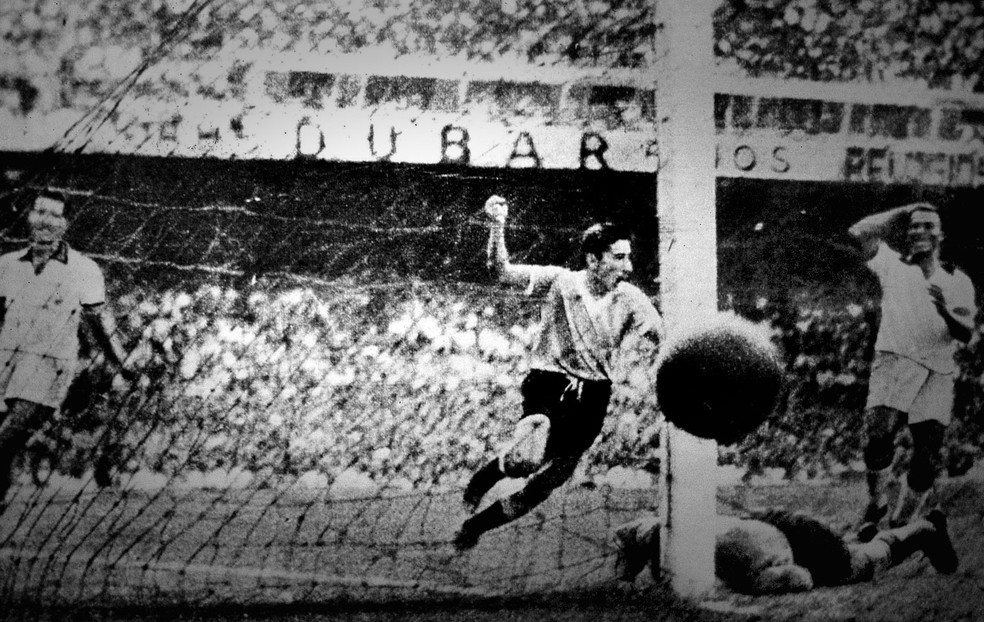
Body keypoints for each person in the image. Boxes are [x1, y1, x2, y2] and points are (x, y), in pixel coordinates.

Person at [453, 194, 664, 551]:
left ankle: (476, 526)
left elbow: (659, 333)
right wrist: (497, 226)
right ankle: (485, 479)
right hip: (550, 383)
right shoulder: (561, 282)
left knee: (546, 484)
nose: (627, 267)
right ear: (594, 258)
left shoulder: (630, 298)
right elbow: (501, 272)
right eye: (619, 257)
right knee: (526, 459)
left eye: (629, 257)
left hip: (595, 395)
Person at [0, 189, 135, 511]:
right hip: (5, 363)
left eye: (55, 215)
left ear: (66, 223)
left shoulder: (84, 269)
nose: (46, 221)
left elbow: (101, 323)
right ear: (28, 216)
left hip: (49, 368)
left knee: (6, 439)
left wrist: (122, 363)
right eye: (40, 212)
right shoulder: (6, 265)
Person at [847, 203, 976, 531]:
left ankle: (902, 521)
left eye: (928, 226)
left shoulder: (958, 280)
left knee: (927, 457)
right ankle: (876, 505)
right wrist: (907, 210)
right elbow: (859, 231)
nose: (920, 231)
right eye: (914, 226)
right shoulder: (892, 265)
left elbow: (965, 333)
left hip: (936, 368)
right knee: (878, 434)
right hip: (895, 358)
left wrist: (945, 310)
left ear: (940, 235)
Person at [613, 508, 958, 594]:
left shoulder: (739, 567)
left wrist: (754, 587)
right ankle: (857, 539)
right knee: (852, 552)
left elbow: (802, 579)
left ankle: (923, 529)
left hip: (793, 543)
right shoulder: (670, 524)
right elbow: (633, 539)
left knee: (861, 564)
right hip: (771, 524)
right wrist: (626, 578)